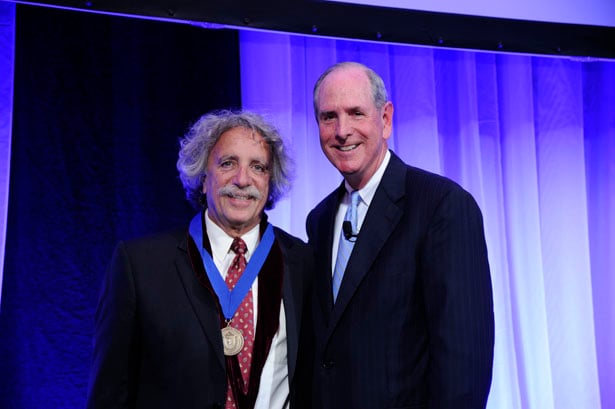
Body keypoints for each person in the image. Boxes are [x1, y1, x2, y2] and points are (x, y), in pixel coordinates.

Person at [87, 110, 312, 409]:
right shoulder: (140, 267)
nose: (243, 179)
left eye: (258, 167)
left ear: (270, 182)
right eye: (228, 163)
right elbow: (109, 396)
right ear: (204, 179)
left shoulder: (303, 264)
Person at [306, 61, 494, 408]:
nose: (342, 130)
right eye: (328, 117)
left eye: (356, 113)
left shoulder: (442, 206)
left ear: (386, 119)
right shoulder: (318, 220)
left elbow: (464, 365)